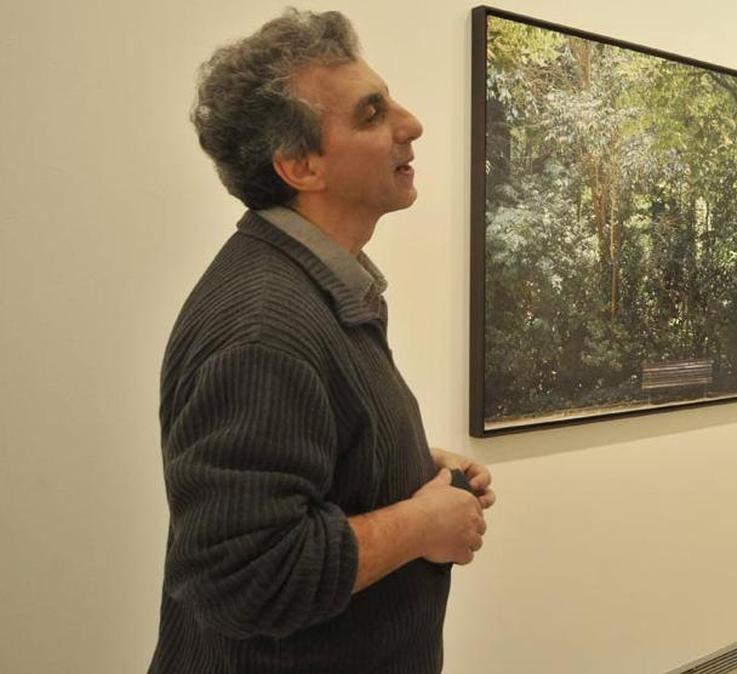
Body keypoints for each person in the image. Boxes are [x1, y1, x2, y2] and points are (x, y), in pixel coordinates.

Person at [149, 10, 494, 674]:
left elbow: (299, 458)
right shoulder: (264, 327)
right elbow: (247, 577)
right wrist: (422, 525)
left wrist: (405, 461)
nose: (411, 123)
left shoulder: (312, 290)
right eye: (371, 114)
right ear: (300, 164)